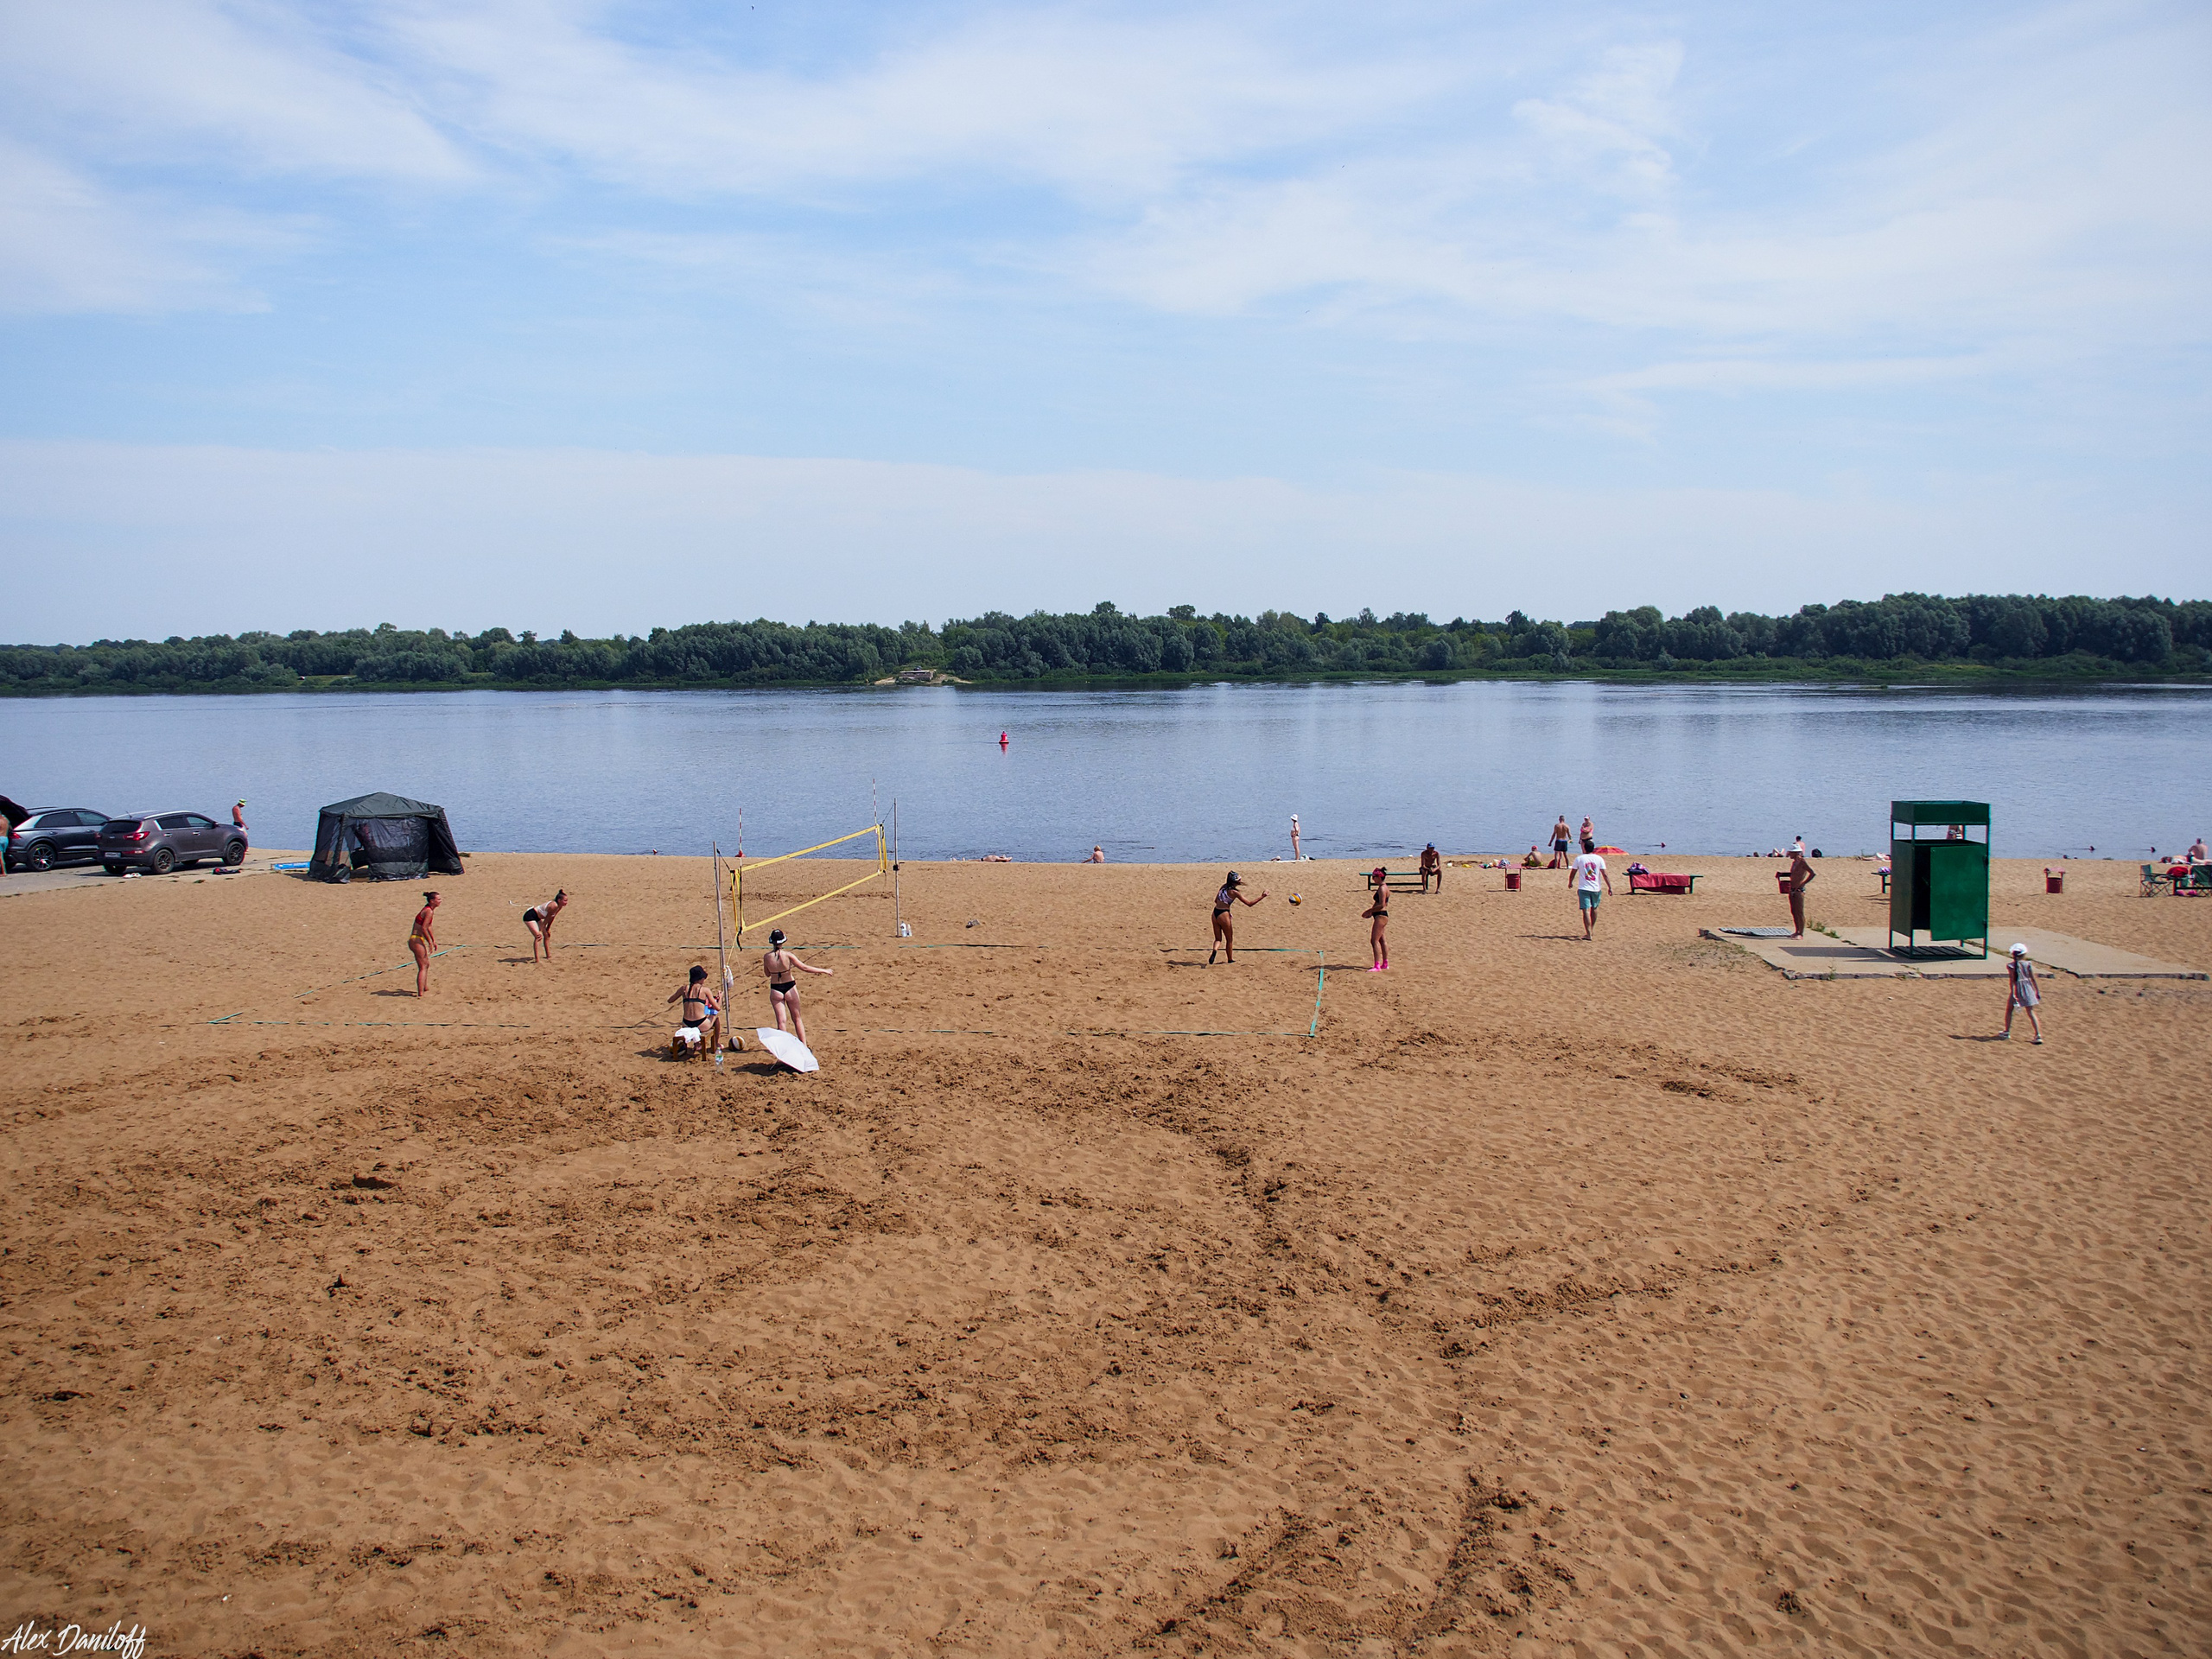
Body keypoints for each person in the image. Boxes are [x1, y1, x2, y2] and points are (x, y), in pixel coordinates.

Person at [761, 928, 832, 1045]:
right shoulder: (788, 955)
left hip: (775, 989)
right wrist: (824, 970)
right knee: (797, 1019)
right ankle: (803, 1046)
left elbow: (767, 974)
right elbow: (805, 968)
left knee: (781, 1022)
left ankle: (784, 1050)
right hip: (790, 987)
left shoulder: (766, 957)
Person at [1208, 871, 1267, 964]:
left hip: (1215, 913)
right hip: (1224, 914)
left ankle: (1215, 950)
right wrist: (1262, 896)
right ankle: (1230, 959)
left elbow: (1216, 900)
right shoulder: (1235, 892)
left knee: (1218, 939)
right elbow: (1249, 904)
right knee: (1229, 939)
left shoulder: (1223, 887)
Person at [667, 964, 722, 1056]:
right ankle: (716, 1043)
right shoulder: (705, 990)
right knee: (715, 1016)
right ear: (700, 978)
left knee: (700, 1015)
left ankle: (697, 1043)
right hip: (701, 1024)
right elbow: (718, 1007)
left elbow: (670, 1000)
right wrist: (720, 998)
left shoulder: (683, 989)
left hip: (686, 1024)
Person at [2002, 944, 2044, 1043]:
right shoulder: (2027, 964)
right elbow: (2032, 978)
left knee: (2009, 1010)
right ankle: (2038, 1034)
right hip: (2028, 988)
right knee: (2031, 1012)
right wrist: (2037, 991)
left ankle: (2007, 1031)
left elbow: (2012, 981)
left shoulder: (2011, 966)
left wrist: (2013, 994)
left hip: (2017, 989)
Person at [1569, 846, 1612, 939]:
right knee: (1594, 908)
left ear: (1584, 848)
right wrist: (1609, 887)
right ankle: (1591, 930)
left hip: (1584, 888)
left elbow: (1573, 872)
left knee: (1586, 911)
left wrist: (1570, 882)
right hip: (1596, 888)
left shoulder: (1579, 858)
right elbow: (1605, 874)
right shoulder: (1599, 858)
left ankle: (1588, 933)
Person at [524, 888, 569, 963]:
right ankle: (537, 959)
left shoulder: (559, 907)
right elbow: (547, 919)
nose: (566, 902)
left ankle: (548, 955)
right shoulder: (553, 906)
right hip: (530, 916)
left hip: (538, 917)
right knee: (538, 936)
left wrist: (548, 928)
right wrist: (542, 929)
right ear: (559, 900)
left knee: (547, 935)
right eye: (565, 901)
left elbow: (552, 917)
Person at [409, 892, 440, 997]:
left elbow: (429, 926)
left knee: (426, 964)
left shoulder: (429, 911)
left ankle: (424, 987)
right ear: (432, 901)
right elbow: (424, 928)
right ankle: (420, 993)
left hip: (418, 939)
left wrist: (433, 940)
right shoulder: (428, 911)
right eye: (438, 899)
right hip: (415, 939)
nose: (440, 901)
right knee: (423, 966)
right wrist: (430, 942)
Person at [1362, 868, 1390, 969]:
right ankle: (1385, 963)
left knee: (1374, 940)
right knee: (1382, 939)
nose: (1373, 879)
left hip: (1381, 915)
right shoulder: (1383, 887)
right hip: (1380, 915)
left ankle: (1377, 965)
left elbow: (1382, 905)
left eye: (1374, 877)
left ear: (1379, 877)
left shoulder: (1382, 889)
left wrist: (1370, 910)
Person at [1787, 849, 1816, 938]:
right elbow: (1794, 874)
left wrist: (1803, 883)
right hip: (1792, 889)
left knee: (1799, 911)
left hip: (1799, 890)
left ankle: (1801, 933)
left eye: (1791, 852)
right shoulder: (1794, 862)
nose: (1789, 854)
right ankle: (1797, 930)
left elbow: (1812, 873)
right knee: (1794, 911)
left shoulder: (1802, 862)